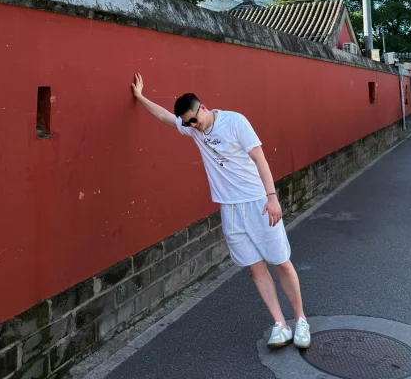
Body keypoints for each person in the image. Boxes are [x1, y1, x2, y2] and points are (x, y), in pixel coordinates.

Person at [130, 74, 311, 350]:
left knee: (282, 263)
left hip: (258, 203)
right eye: (188, 123)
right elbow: (165, 117)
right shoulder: (193, 129)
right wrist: (141, 97)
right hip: (230, 209)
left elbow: (260, 158)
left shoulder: (235, 122)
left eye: (194, 120)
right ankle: (280, 324)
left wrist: (272, 197)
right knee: (255, 268)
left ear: (203, 108)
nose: (193, 126)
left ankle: (300, 320)